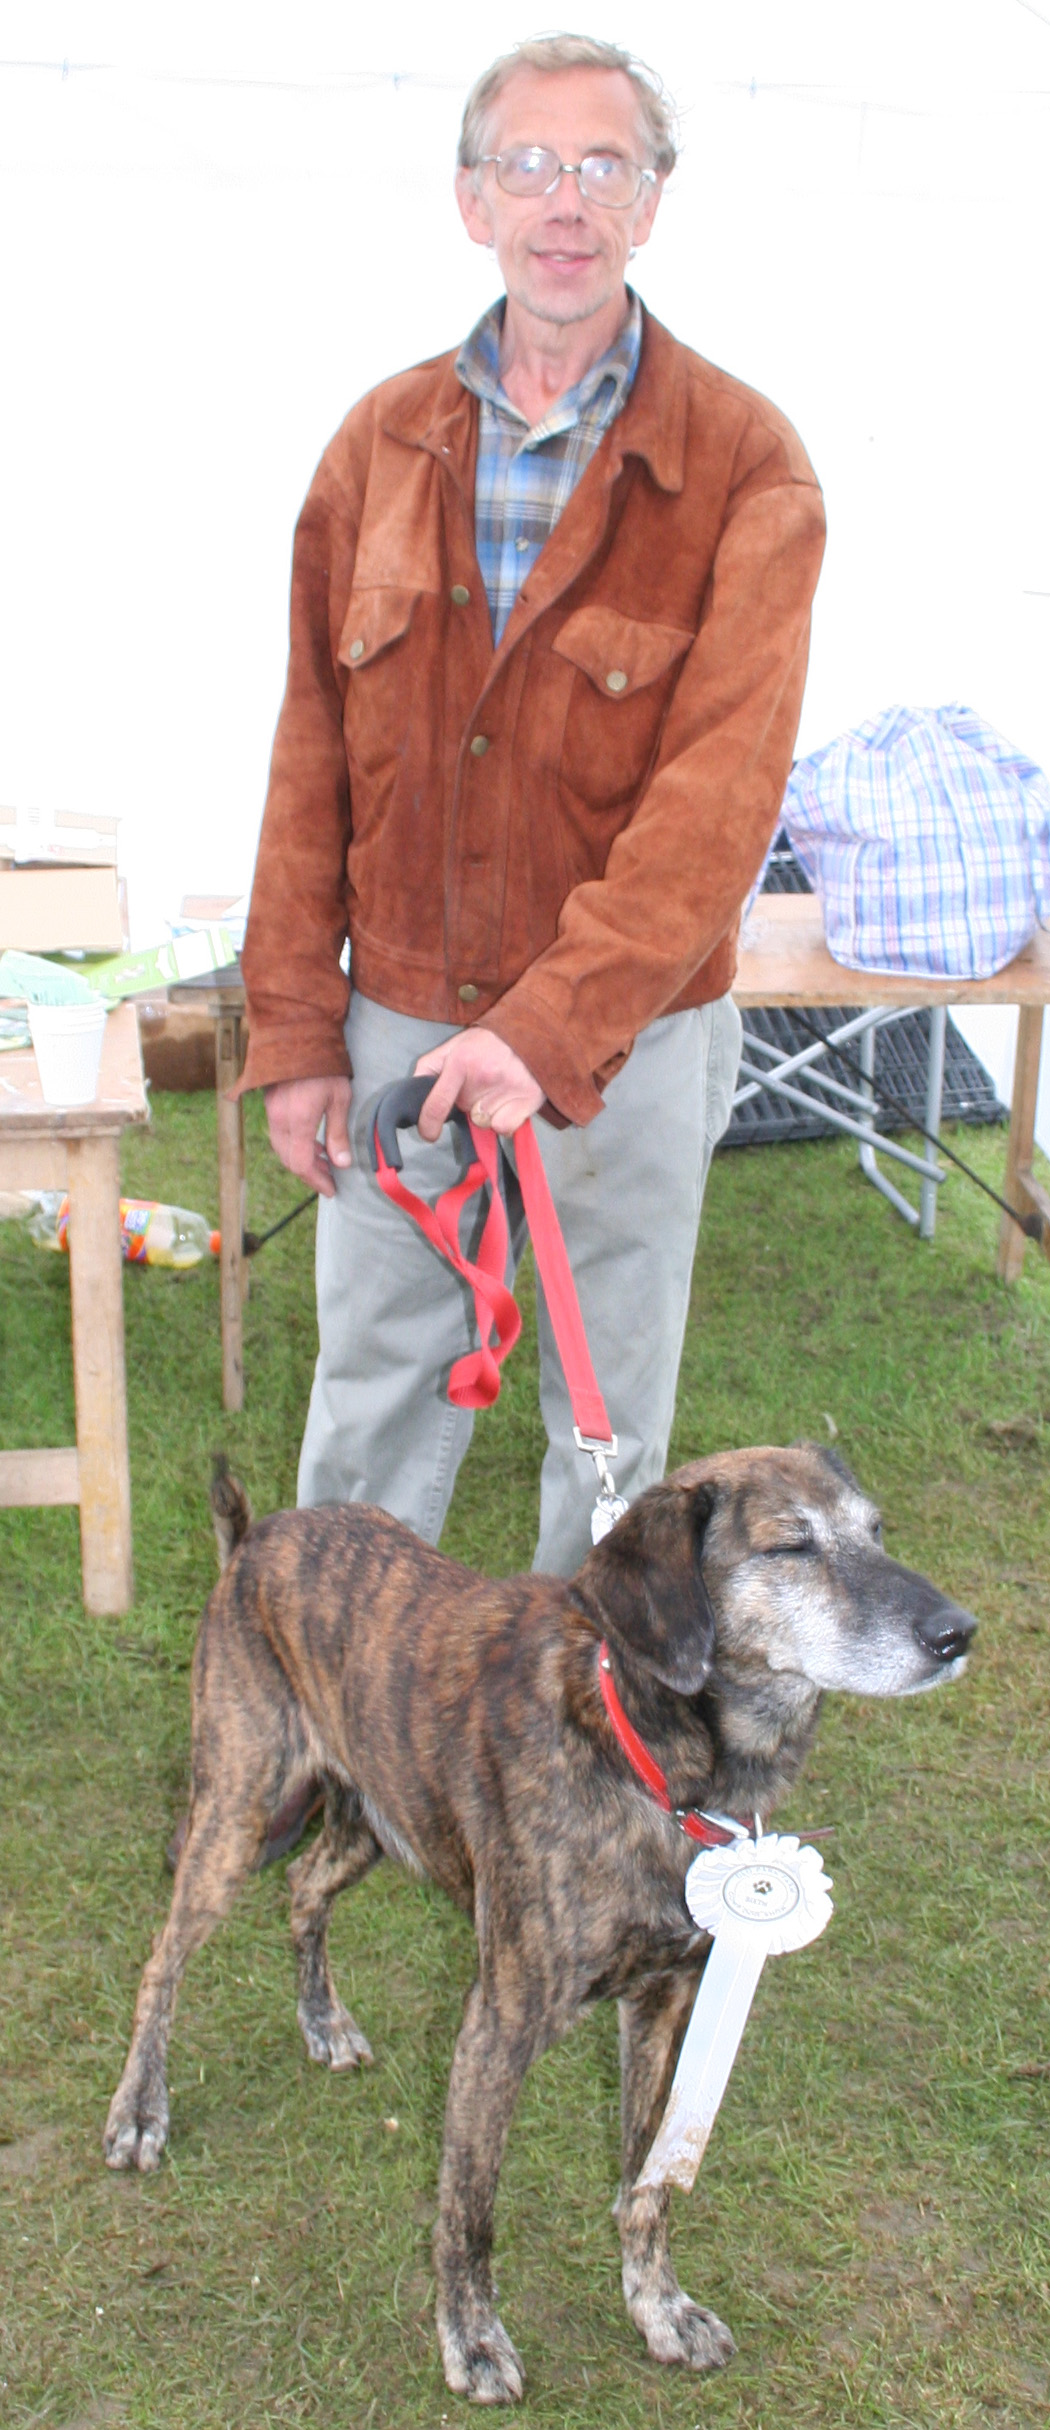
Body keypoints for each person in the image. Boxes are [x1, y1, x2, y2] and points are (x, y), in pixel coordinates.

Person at [240, 31, 826, 1579]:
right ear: (469, 199)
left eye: (601, 167)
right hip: (405, 1022)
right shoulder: (378, 441)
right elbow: (310, 752)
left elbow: (720, 799)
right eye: (529, 164)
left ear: (651, 206)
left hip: (627, 1044)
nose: (563, 201)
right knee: (370, 1382)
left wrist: (551, 1026)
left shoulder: (744, 461)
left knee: (608, 1416)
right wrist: (299, 1031)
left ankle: (581, 1746)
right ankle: (331, 1721)